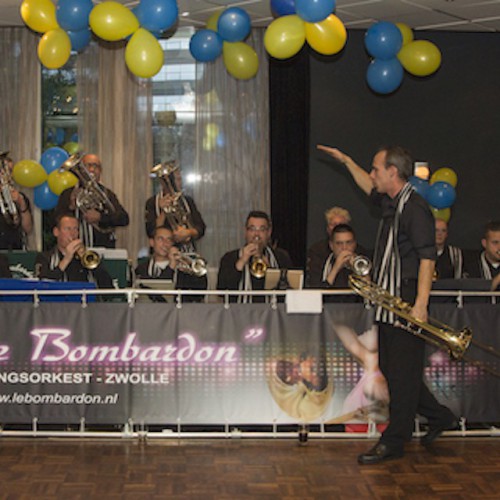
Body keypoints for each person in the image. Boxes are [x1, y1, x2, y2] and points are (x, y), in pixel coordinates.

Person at [318, 143, 457, 465]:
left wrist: (420, 305)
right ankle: (440, 417)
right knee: (396, 372)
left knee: (402, 375)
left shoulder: (415, 208)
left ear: (392, 172)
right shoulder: (392, 202)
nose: (372, 174)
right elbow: (367, 187)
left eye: (376, 169)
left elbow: (427, 258)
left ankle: (394, 440)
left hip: (406, 301)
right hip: (388, 301)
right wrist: (346, 160)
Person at [54, 154, 129, 248]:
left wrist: (100, 217)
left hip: (101, 248)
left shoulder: (107, 194)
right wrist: (71, 206)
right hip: (73, 248)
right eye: (88, 165)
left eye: (96, 166)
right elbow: (56, 221)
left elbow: (124, 219)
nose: (92, 169)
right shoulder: (67, 194)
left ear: (100, 171)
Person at [217, 210, 293, 303]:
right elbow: (222, 290)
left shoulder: (281, 257)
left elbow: (289, 293)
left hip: (272, 310)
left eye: (262, 229)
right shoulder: (229, 258)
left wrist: (271, 271)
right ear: (245, 232)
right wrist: (241, 261)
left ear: (269, 232)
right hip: (239, 311)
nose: (256, 234)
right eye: (252, 229)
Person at [36, 212, 112, 288]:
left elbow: (108, 287)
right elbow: (42, 286)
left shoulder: (87, 257)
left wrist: (92, 265)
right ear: (56, 232)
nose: (73, 233)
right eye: (68, 229)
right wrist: (66, 259)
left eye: (76, 229)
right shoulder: (44, 257)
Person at [145, 161, 205, 253]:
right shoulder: (152, 202)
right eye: (178, 179)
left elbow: (201, 227)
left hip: (186, 251)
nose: (181, 183)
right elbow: (151, 231)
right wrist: (164, 211)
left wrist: (188, 232)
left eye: (180, 179)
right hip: (162, 253)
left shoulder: (187, 201)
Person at [134, 226, 207, 302]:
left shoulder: (182, 267)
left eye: (169, 240)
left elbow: (200, 294)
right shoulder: (142, 268)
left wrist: (196, 271)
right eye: (160, 239)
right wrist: (171, 266)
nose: (165, 244)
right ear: (152, 242)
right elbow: (159, 293)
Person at [307, 223, 364, 302]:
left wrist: (360, 271)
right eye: (339, 243)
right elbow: (315, 297)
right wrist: (335, 268)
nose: (344, 248)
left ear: (355, 244)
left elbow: (370, 293)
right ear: (331, 245)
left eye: (348, 243)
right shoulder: (320, 263)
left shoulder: (362, 262)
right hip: (330, 307)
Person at [305, 206, 351, 287]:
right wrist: (336, 267)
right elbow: (315, 286)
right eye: (333, 224)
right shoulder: (317, 250)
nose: (337, 228)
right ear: (327, 228)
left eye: (341, 225)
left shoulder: (359, 251)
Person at [0, 154, 33, 250]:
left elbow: (28, 229)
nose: (8, 175)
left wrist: (22, 204)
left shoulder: (20, 196)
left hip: (14, 248)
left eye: (10, 171)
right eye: (5, 170)